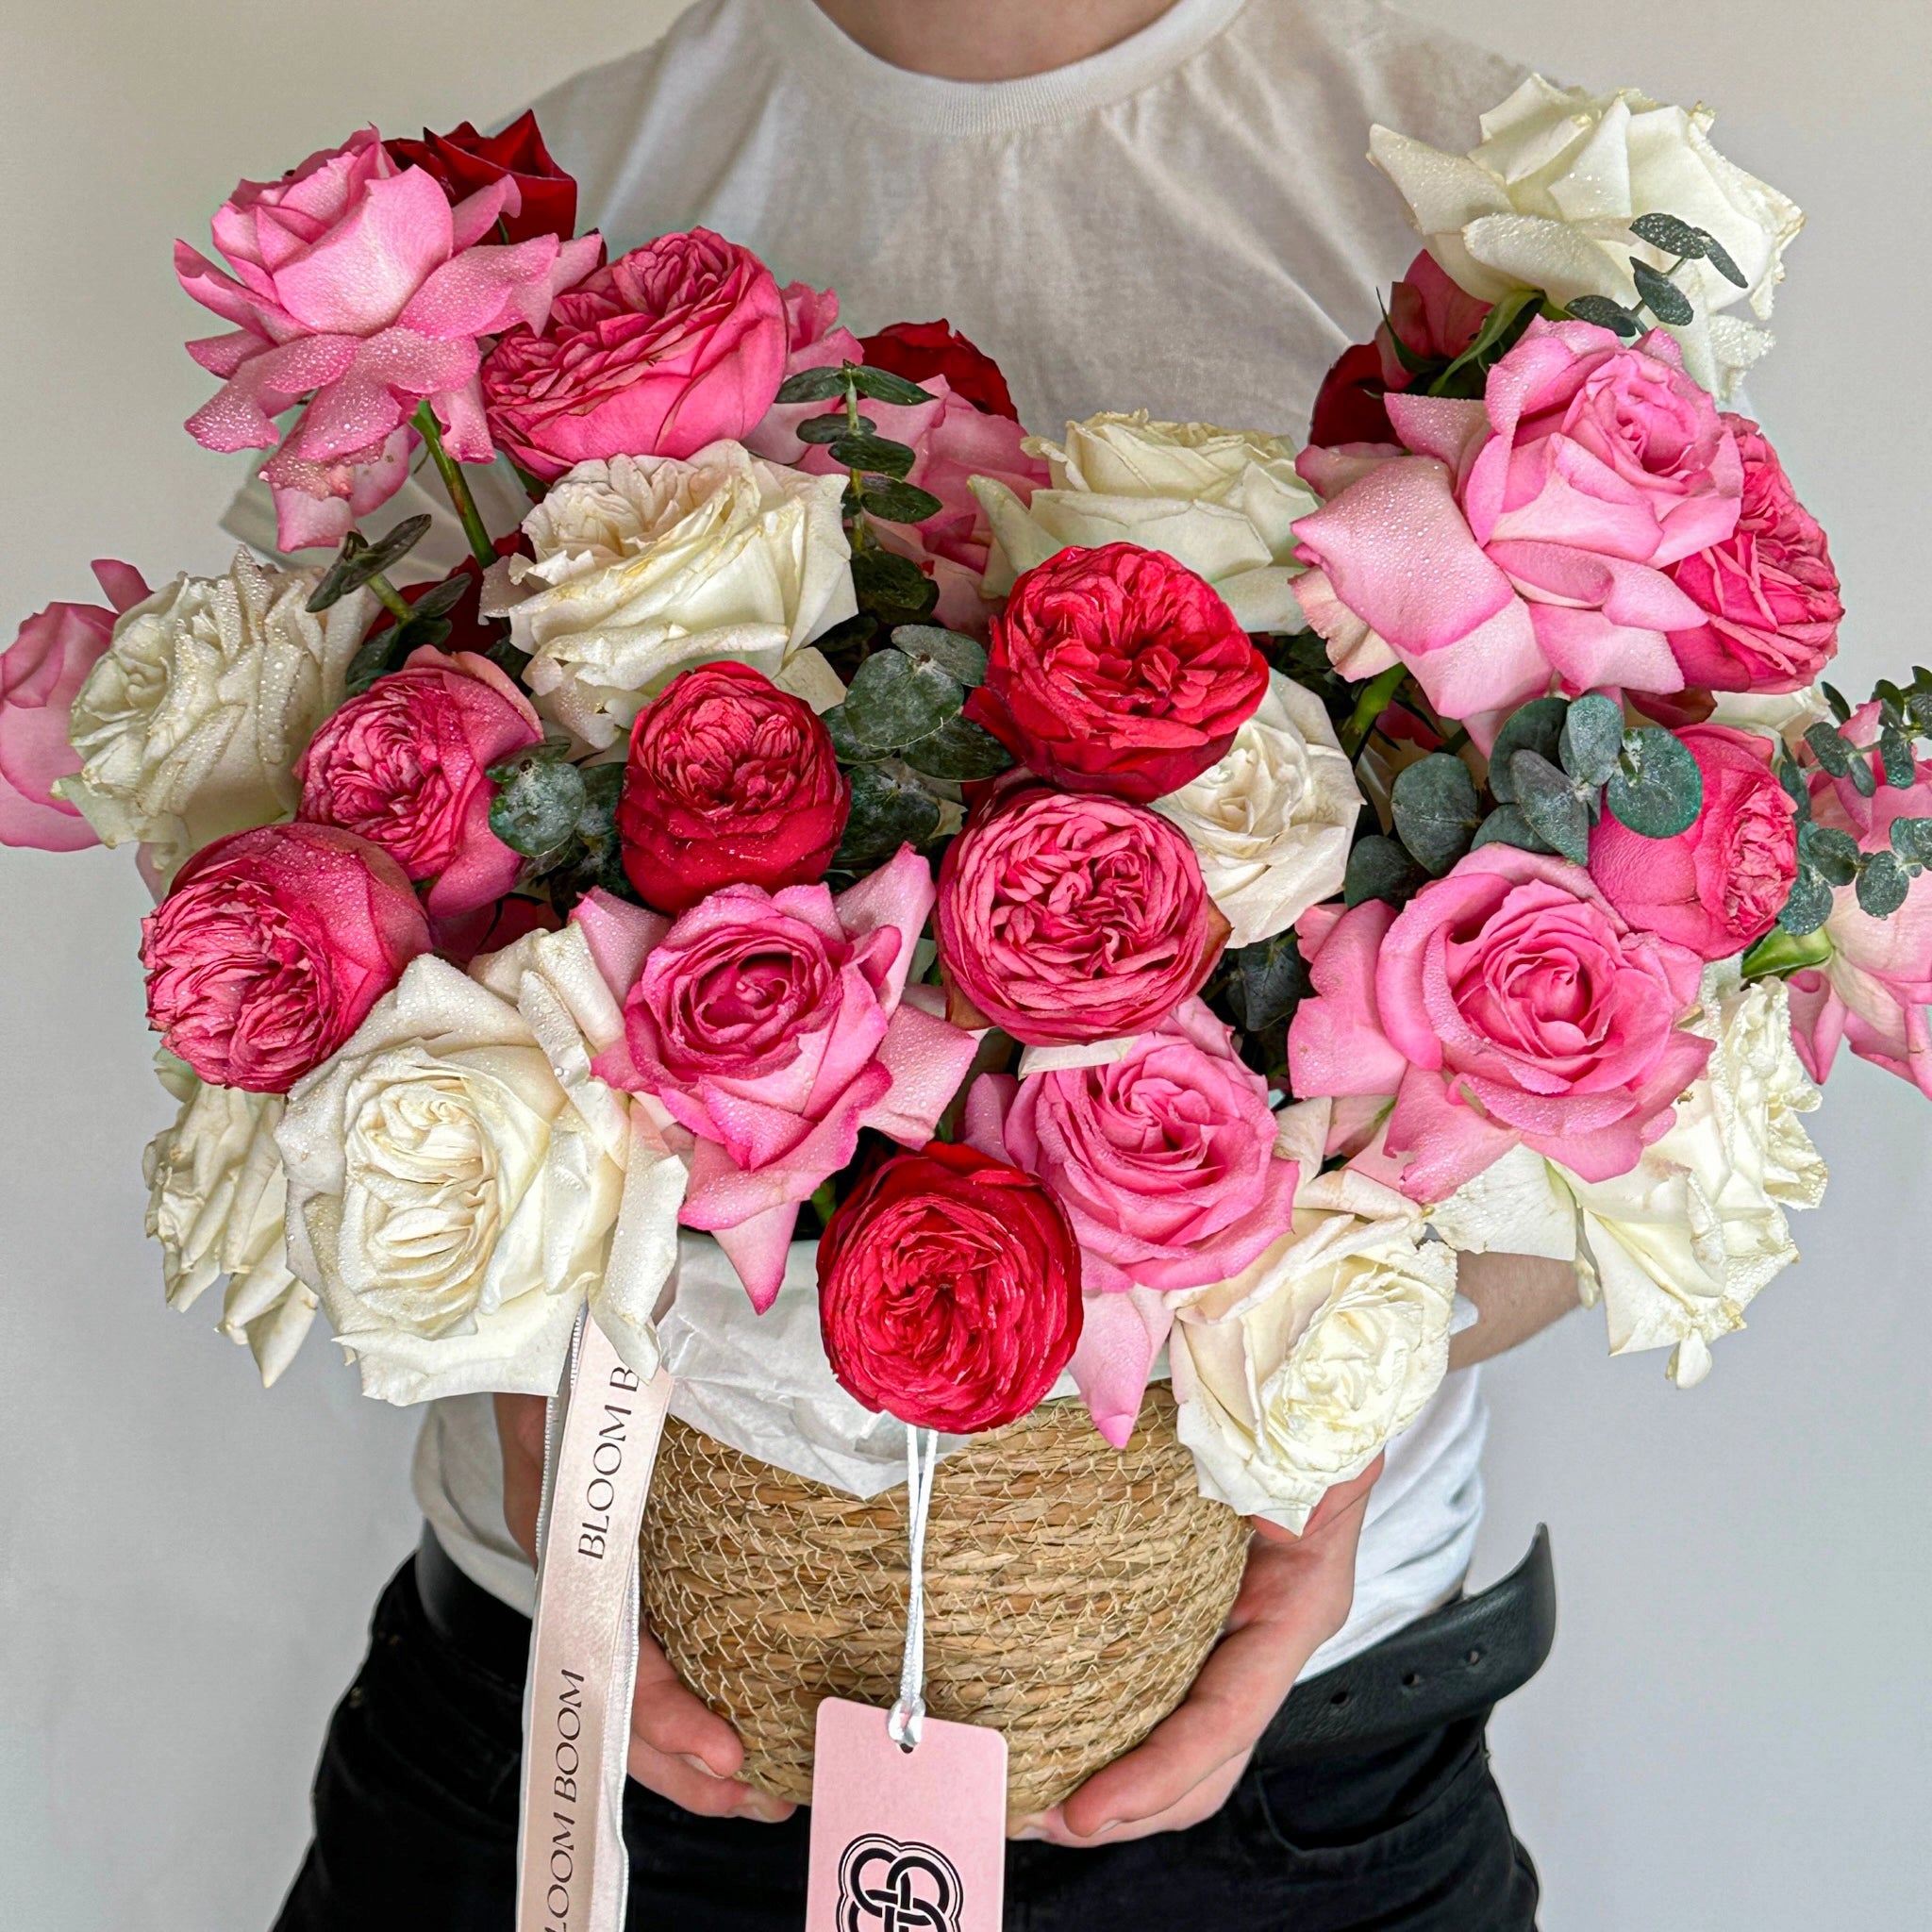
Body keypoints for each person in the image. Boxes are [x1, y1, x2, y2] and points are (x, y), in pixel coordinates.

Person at [268, 4, 1583, 1926]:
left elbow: (1647, 1084)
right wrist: (530, 1366)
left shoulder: (1479, 191)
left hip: (1279, 1782)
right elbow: (347, 929)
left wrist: (1303, 1382)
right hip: (577, 1737)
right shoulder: (540, 210)